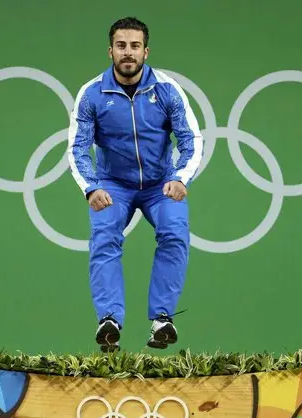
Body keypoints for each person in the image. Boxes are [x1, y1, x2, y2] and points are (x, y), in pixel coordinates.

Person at [67, 16, 203, 352]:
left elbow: (191, 139)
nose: (128, 52)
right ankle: (109, 320)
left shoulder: (167, 90)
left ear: (146, 51)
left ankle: (162, 319)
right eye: (121, 45)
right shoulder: (92, 94)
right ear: (110, 51)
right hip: (112, 184)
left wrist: (181, 177)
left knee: (174, 234)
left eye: (135, 46)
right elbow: (78, 147)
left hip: (161, 184)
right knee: (104, 237)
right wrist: (91, 187)